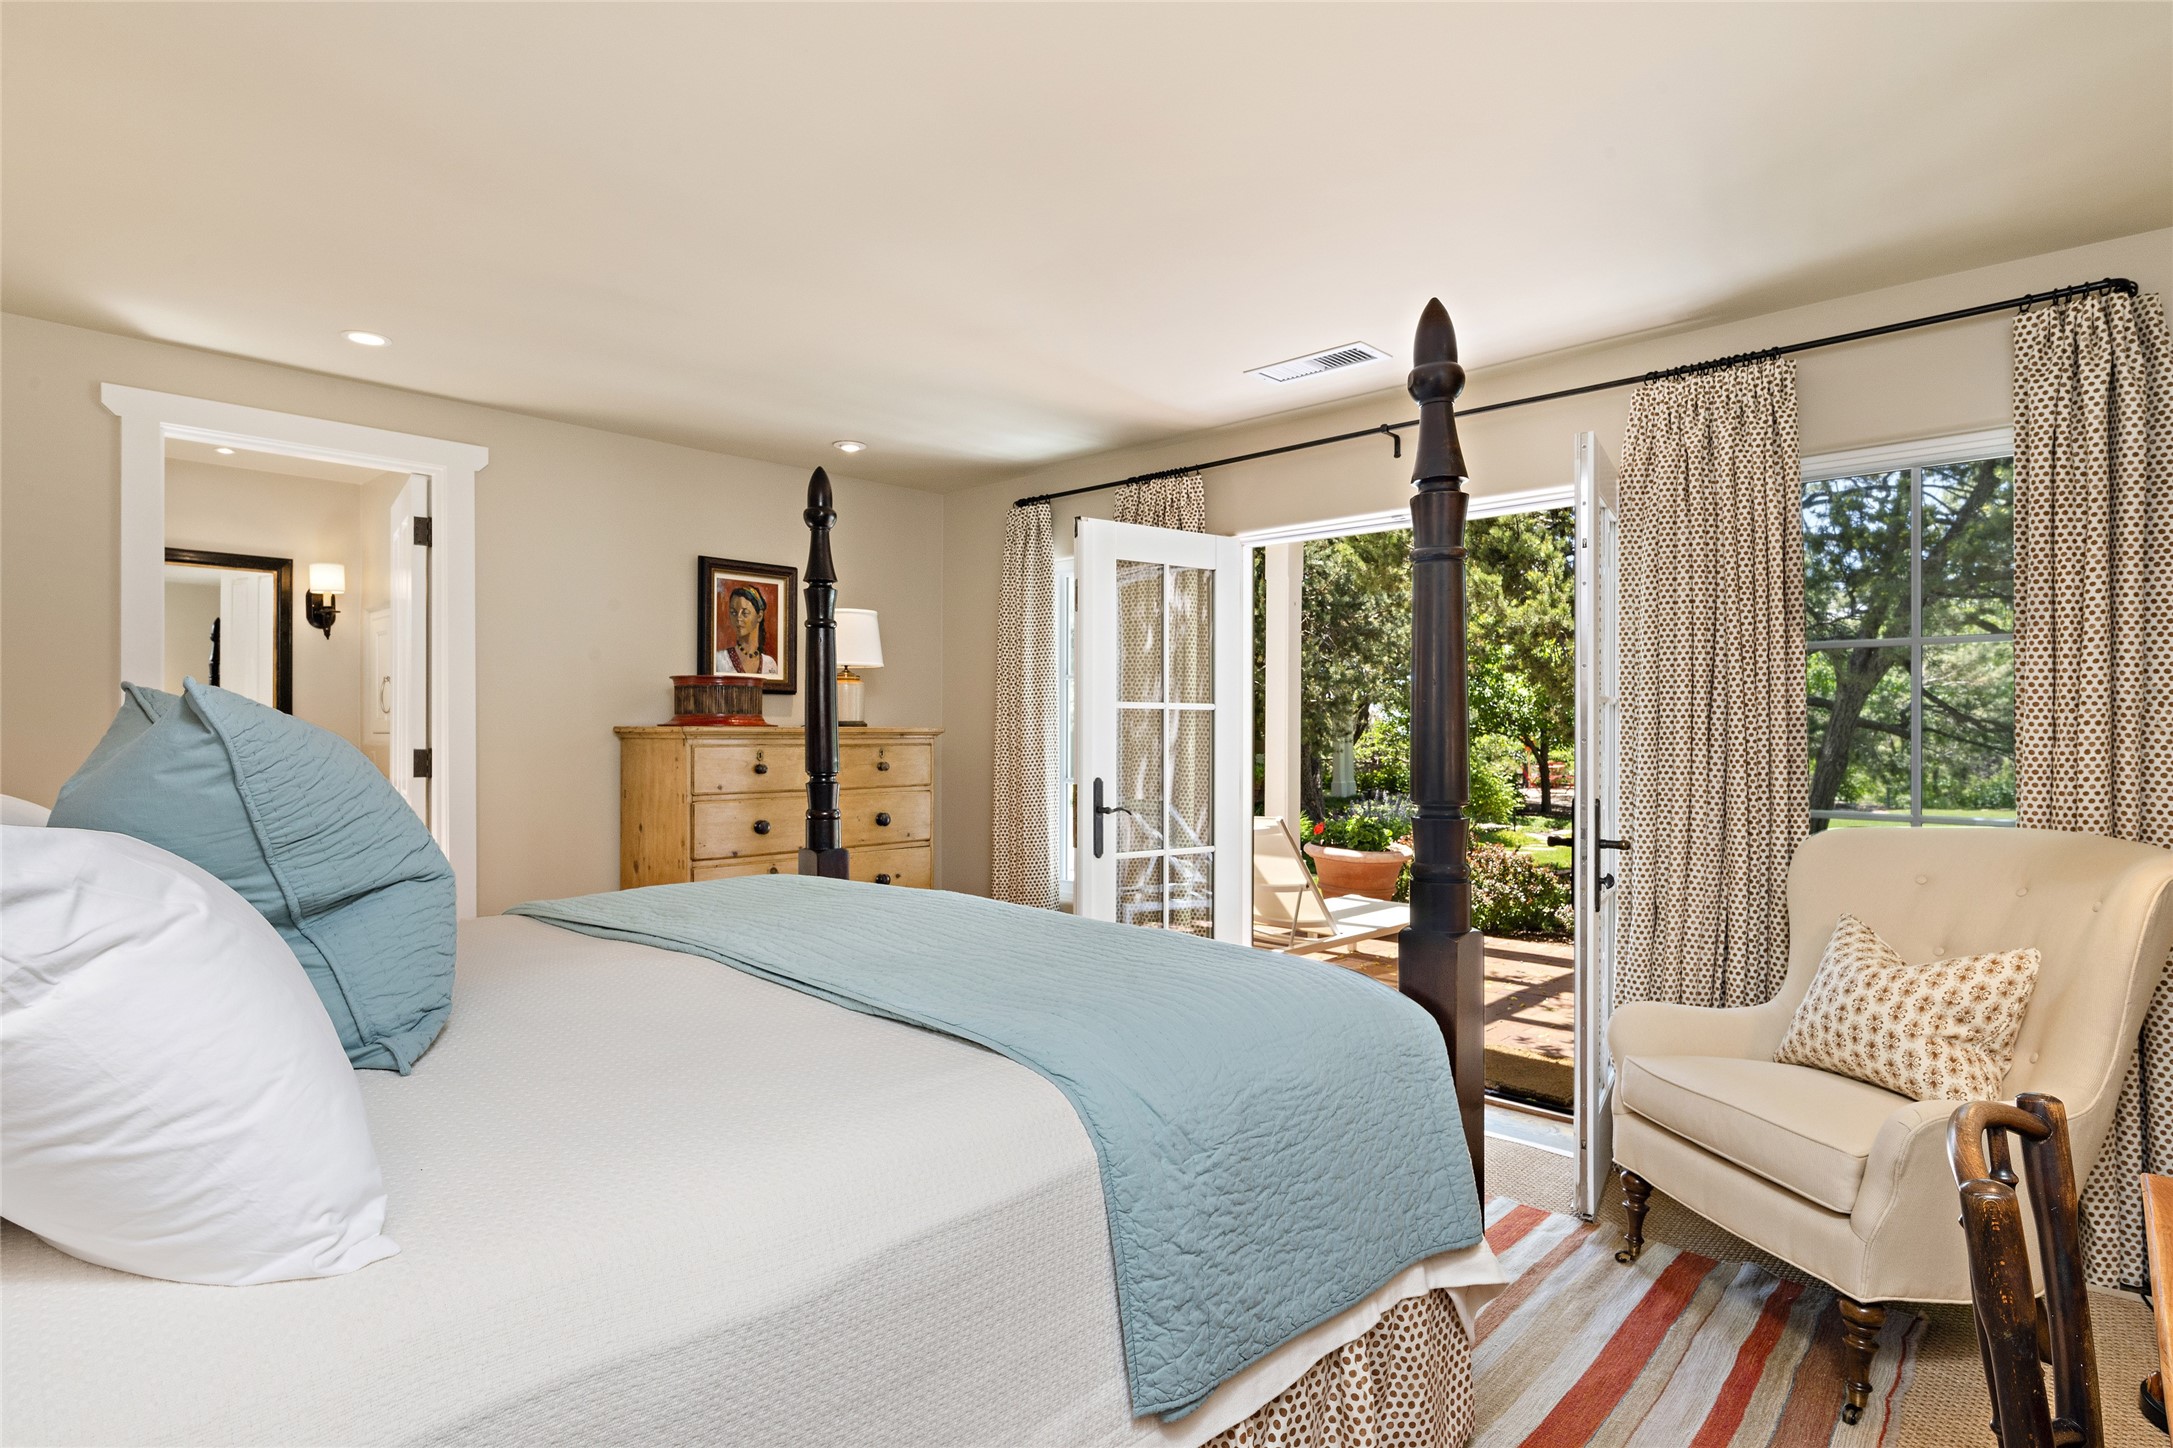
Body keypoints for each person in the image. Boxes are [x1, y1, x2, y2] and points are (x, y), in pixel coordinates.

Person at [719, 584, 779, 677]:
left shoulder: (770, 664)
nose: (738, 618)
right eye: (733, 612)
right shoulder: (720, 660)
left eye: (745, 613)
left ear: (759, 616)